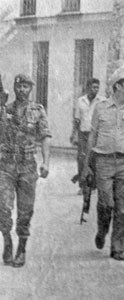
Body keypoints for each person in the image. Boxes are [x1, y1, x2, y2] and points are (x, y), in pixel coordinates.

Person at [82, 64, 124, 261]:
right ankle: (102, 230)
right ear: (118, 86)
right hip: (104, 161)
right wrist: (86, 166)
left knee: (122, 207)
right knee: (106, 203)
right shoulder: (101, 108)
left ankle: (118, 248)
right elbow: (92, 137)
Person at [0, 74, 51, 267]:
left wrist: (46, 162)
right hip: (6, 165)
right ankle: (6, 240)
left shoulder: (37, 111)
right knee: (3, 208)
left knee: (25, 210)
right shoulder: (5, 109)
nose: (22, 90)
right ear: (14, 88)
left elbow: (46, 136)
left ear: (31, 89)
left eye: (26, 87)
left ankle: (21, 248)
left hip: (28, 166)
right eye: (19, 86)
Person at [70, 78, 104, 195]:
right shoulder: (80, 101)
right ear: (88, 88)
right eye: (94, 87)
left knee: (94, 159)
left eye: (97, 87)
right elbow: (77, 119)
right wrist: (73, 133)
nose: (96, 90)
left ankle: (93, 186)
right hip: (83, 134)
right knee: (81, 158)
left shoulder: (101, 101)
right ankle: (83, 185)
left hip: (95, 134)